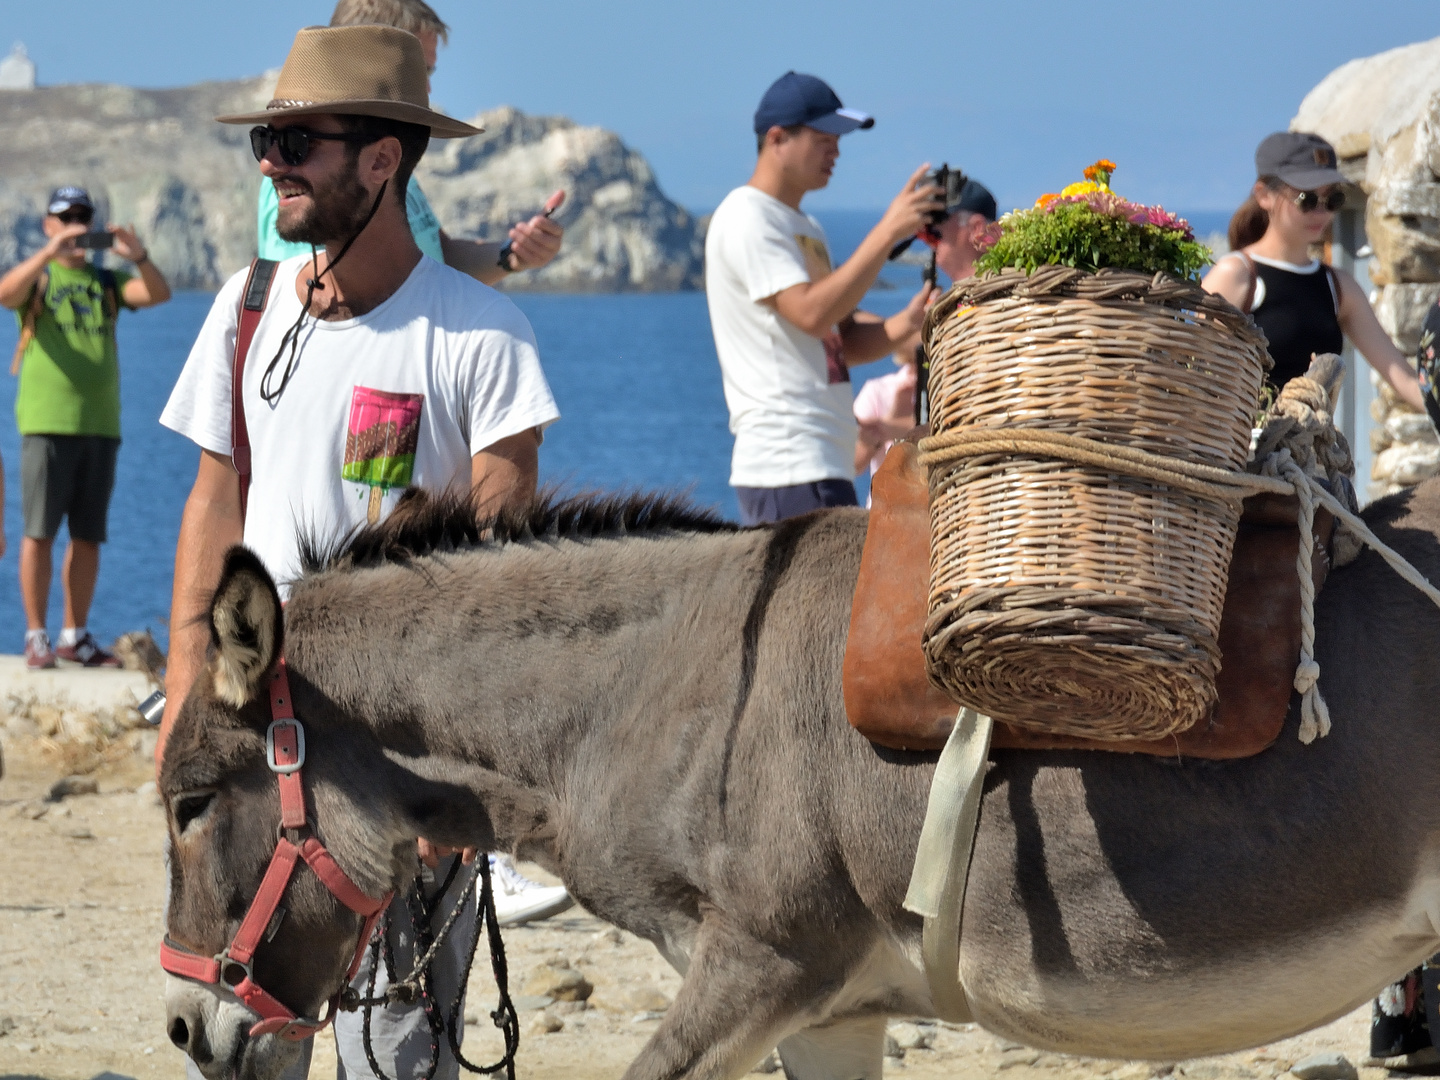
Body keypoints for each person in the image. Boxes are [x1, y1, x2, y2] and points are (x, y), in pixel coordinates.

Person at [156, 26, 566, 1080]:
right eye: (265, 137)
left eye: (298, 141)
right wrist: (183, 703)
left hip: (395, 761)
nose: (270, 162)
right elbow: (214, 511)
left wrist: (458, 786)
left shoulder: (481, 336)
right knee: (243, 1042)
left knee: (396, 1060)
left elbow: (502, 577)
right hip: (254, 760)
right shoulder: (244, 313)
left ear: (382, 161)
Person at [704, 70, 944, 526]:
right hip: (786, 463)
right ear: (777, 139)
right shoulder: (747, 215)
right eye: (824, 137)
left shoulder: (805, 228)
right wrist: (886, 232)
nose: (836, 150)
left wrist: (909, 320)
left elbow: (842, 340)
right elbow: (811, 313)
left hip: (819, 464)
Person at [256, 0, 565, 283]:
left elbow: (440, 256)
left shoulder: (385, 166)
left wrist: (512, 255)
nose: (427, 86)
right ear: (369, 60)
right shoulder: (298, 179)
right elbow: (305, 292)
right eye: (417, 70)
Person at [0, 186, 171, 669]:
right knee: (38, 532)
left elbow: (158, 293)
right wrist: (49, 254)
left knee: (88, 535)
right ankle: (36, 635)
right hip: (46, 423)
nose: (76, 224)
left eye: (83, 215)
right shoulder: (39, 279)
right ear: (48, 223)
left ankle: (74, 635)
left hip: (100, 425)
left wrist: (140, 256)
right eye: (66, 216)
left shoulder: (106, 282)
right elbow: (4, 293)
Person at [1202, 131, 1424, 411]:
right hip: (1249, 449)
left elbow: (1402, 378)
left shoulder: (1338, 286)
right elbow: (1196, 368)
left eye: (1332, 200)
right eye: (1306, 199)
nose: (1321, 212)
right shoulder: (1237, 274)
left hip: (1313, 451)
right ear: (1264, 195)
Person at [853, 178, 998, 482]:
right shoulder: (951, 307)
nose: (929, 241)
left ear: (975, 229)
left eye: (936, 231)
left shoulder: (1001, 299)